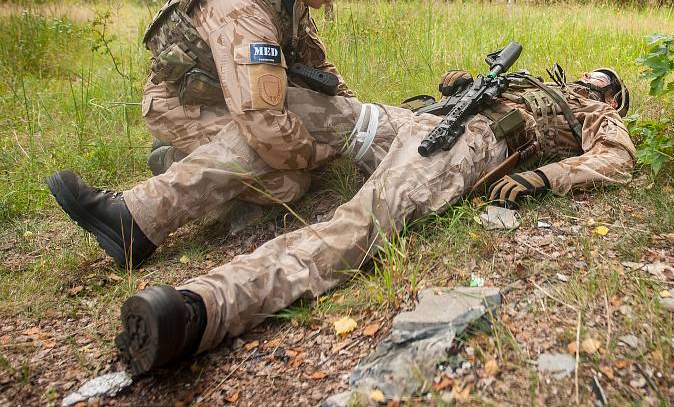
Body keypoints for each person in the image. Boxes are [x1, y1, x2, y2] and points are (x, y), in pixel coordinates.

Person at [112, 63, 636, 375]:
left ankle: (205, 307)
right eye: (593, 75)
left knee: (360, 222)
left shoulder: (594, 112)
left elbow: (616, 159)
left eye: (603, 81)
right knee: (305, 105)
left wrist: (544, 178)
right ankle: (139, 213)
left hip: (467, 143)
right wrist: (461, 83)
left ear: (612, 97)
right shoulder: (530, 80)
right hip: (423, 118)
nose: (592, 79)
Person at [46, 0, 368, 269]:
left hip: (226, 100)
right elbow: (261, 122)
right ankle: (132, 217)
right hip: (180, 103)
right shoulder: (242, 6)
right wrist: (322, 151)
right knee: (277, 169)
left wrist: (358, 118)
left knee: (290, 177)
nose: (333, 0)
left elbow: (320, 70)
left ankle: (178, 159)